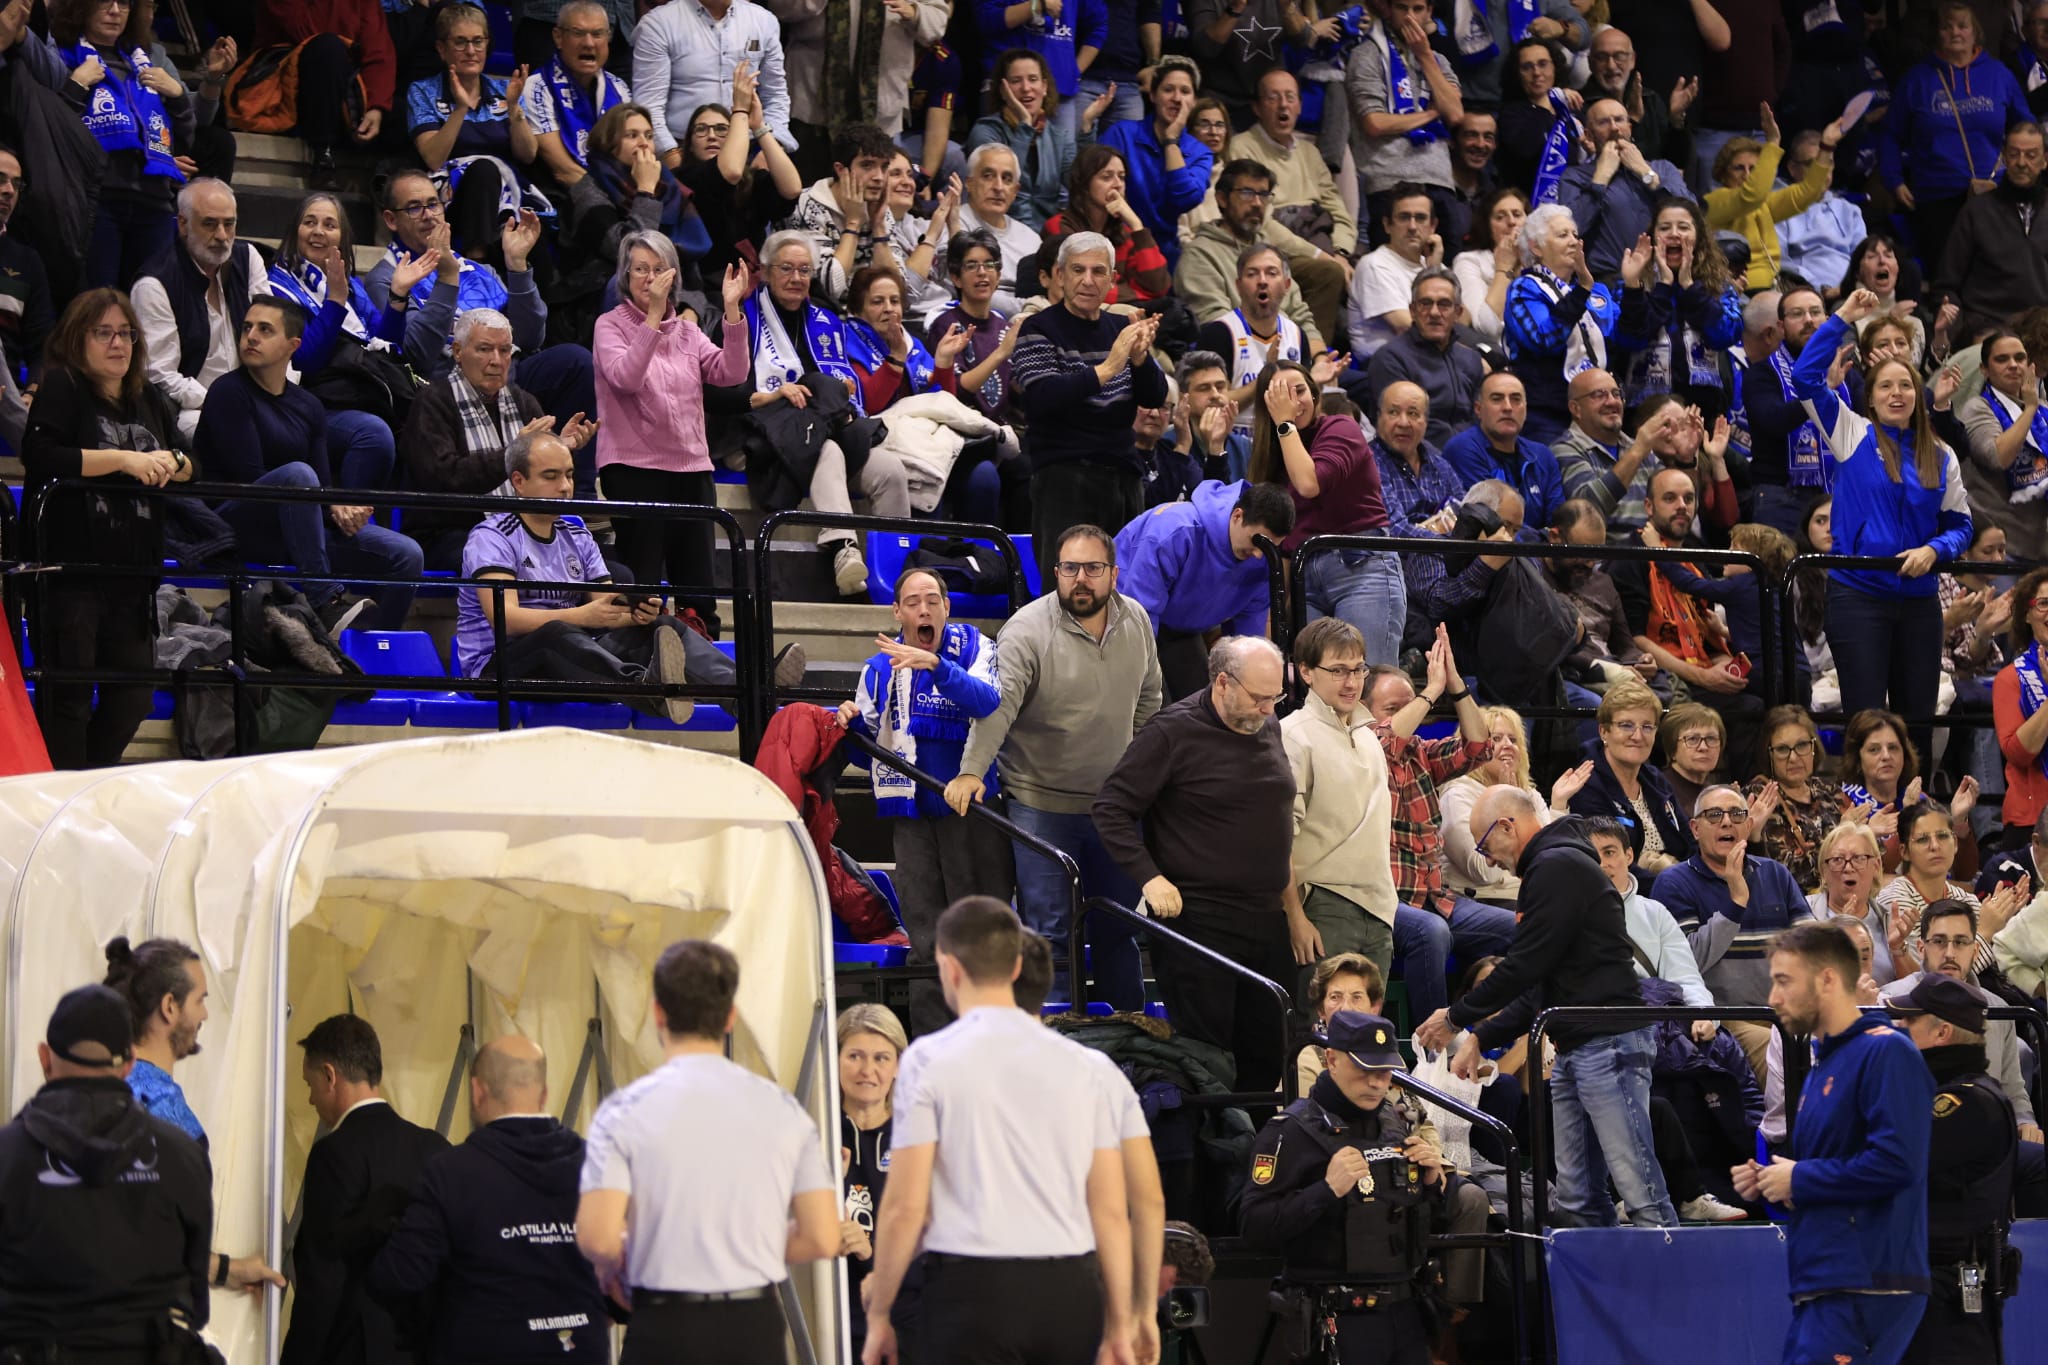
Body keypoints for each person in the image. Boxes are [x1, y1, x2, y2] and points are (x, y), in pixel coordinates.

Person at [860, 896, 1143, 1365]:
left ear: (948, 968)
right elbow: (1112, 1211)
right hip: (1070, 1291)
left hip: (972, 1291)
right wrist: (1119, 1321)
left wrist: (880, 1314)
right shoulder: (1088, 1066)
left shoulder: (928, 1059)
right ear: (1017, 967)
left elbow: (905, 1207)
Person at [1417, 784, 1680, 1228]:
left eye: (1485, 845)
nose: (1489, 859)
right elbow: (1542, 982)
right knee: (1577, 1199)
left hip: (1608, 1041)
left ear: (1508, 826)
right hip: (1576, 1043)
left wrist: (1456, 1018)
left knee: (1640, 1191)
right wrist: (1482, 1036)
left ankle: (1671, 1295)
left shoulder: (1555, 866)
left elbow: (1526, 965)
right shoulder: (1553, 866)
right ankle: (1596, 1295)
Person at [578, 940, 838, 1359]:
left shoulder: (623, 1113)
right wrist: (743, 1241)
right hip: (753, 1326)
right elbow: (823, 1237)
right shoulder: (783, 1110)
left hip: (664, 1325)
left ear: (657, 1012)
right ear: (730, 1017)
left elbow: (598, 1237)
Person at [951, 523, 1161, 1011]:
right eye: (1070, 569)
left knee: (1118, 928)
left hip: (1114, 810)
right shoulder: (1026, 629)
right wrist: (970, 771)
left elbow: (1150, 700)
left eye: (1092, 568)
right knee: (1047, 933)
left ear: (1113, 573)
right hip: (1040, 804)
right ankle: (1054, 1037)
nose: (1080, 579)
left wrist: (1145, 779)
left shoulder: (1138, 622)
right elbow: (996, 707)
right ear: (1056, 572)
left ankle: (1128, 1039)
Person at [1094, 636, 1295, 1088]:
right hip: (1199, 920)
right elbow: (1111, 808)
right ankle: (1213, 1156)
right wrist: (1149, 877)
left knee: (1270, 1051)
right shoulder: (1172, 731)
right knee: (1211, 1059)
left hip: (1265, 916)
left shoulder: (1266, 722)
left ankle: (1259, 1155)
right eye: (1258, 698)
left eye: (1275, 697)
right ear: (1222, 683)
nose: (1267, 710)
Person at [1732, 922, 1933, 1365]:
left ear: (1826, 979)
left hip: (1866, 1281)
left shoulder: (1886, 1053)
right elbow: (1834, 1170)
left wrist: (1798, 1177)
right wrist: (1774, 1181)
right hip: (1827, 1281)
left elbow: (1897, 1163)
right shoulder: (1823, 1065)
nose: (1773, 998)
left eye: (1784, 981)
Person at [23, 288, 193, 769]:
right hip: (70, 573)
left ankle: (86, 783)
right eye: (104, 333)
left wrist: (171, 462)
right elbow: (41, 457)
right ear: (78, 339)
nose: (118, 344)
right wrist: (125, 460)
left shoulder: (149, 399)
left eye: (127, 334)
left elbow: (189, 462)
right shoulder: (64, 387)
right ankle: (60, 798)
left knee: (135, 696)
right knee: (69, 700)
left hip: (133, 576)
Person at [365, 1036, 610, 1365]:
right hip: (581, 1351)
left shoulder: (451, 1173)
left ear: (477, 1091)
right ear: (545, 1093)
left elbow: (399, 1277)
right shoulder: (596, 1164)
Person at [0, 985, 214, 1360]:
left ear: (44, 1058)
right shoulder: (182, 1155)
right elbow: (195, 1302)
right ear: (129, 1062)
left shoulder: (8, 1156)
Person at [840, 570, 1011, 1035]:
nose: (923, 610)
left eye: (932, 600)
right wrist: (850, 726)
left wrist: (937, 667)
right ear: (897, 612)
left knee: (980, 936)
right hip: (911, 818)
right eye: (913, 602)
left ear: (947, 607)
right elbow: (862, 754)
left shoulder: (977, 647)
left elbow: (988, 702)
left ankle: (989, 1038)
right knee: (926, 939)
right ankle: (933, 1044)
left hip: (971, 812)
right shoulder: (877, 669)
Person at [1794, 288, 1973, 727]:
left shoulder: (1941, 454)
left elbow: (1961, 525)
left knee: (1918, 720)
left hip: (1919, 601)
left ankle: (1917, 798)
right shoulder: (1850, 432)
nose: (1897, 394)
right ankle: (1864, 799)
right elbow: (1804, 378)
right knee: (1867, 721)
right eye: (1886, 387)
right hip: (1858, 596)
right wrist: (1842, 319)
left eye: (1906, 385)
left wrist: (1934, 551)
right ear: (1870, 398)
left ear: (1919, 395)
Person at [1240, 1010, 1452, 1365]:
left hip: (1405, 1313)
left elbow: (1417, 1224)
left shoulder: (1396, 1124)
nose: (1376, 1083)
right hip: (1336, 1319)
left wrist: (1432, 1187)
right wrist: (1324, 1190)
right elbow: (1253, 1227)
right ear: (1332, 1060)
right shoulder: (1289, 1131)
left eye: (1384, 1072)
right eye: (1365, 1069)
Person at [198, 296, 422, 631]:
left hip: (298, 528)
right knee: (297, 476)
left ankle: (371, 655)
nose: (251, 337)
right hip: (235, 524)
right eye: (246, 328)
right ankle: (325, 601)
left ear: (293, 346)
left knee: (406, 554)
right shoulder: (227, 392)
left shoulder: (308, 405)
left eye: (264, 329)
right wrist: (324, 501)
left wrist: (338, 508)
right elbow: (250, 480)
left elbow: (320, 482)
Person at [100, 936, 286, 1293]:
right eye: (200, 999)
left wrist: (227, 1271)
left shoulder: (94, 1089)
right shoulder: (162, 1111)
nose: (204, 1014)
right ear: (170, 1007)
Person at [1363, 637, 1521, 1023]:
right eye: (1394, 708)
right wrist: (1430, 691)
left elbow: (1478, 746)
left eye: (1414, 704)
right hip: (1385, 901)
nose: (1415, 714)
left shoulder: (1421, 754)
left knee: (1527, 928)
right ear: (1364, 712)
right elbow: (1384, 742)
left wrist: (1455, 687)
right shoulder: (1361, 749)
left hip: (1438, 896)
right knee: (1431, 933)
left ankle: (1511, 1035)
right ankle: (1432, 1051)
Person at [281, 1015, 451, 1365]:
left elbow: (323, 1276)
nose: (311, 1100)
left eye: (309, 1084)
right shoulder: (435, 1148)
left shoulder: (334, 1154)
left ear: (329, 1076)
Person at [595, 239, 749, 624]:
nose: (649, 278)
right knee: (642, 588)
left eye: (658, 268)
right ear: (625, 276)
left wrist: (731, 310)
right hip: (634, 469)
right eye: (640, 269)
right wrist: (651, 321)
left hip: (692, 468)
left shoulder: (687, 332)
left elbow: (733, 373)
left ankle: (701, 661)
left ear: (673, 275)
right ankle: (642, 668)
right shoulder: (609, 325)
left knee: (698, 591)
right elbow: (625, 378)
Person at [1013, 233, 1166, 585]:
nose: (1088, 280)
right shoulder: (1037, 328)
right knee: (1069, 588)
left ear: (1112, 279)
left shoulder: (1120, 327)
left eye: (1099, 271)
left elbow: (1154, 398)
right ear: (1060, 275)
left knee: (1126, 588)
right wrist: (1108, 368)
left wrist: (1140, 359)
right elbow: (1042, 397)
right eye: (1077, 270)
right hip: (1065, 476)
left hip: (1124, 476)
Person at [1886, 975, 2020, 1365]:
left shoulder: (1967, 1103)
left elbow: (1890, 1158)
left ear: (1942, 1032)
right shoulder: (1939, 1091)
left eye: (1910, 1021)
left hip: (1947, 1297)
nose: (1899, 1029)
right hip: (1923, 1287)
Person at [1652, 784, 1815, 1078]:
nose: (1727, 822)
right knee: (1780, 1055)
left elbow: (1812, 947)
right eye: (1714, 815)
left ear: (1749, 825)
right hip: (1726, 1017)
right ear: (1695, 828)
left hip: (1788, 1012)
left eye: (1737, 814)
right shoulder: (1674, 883)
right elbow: (1687, 963)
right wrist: (1735, 904)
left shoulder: (1775, 873)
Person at [1251, 359, 1406, 664]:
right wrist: (1272, 617)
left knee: (1366, 682)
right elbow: (1280, 543)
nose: (1294, 402)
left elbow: (1309, 483)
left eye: (1300, 391)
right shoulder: (1272, 458)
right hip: (1304, 578)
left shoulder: (1340, 427)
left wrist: (1285, 424)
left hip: (1361, 568)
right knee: (1319, 695)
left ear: (1315, 395)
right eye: (1282, 395)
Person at [44, 0, 195, 290]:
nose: (115, 11)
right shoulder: (63, 57)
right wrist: (75, 87)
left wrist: (177, 96)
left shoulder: (144, 63)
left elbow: (183, 140)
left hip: (154, 203)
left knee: (151, 306)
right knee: (100, 304)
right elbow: (54, 133)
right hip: (98, 202)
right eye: (105, 1)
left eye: (124, 3)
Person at [1280, 619, 1399, 988]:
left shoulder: (1367, 737)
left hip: (1379, 906)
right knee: (1315, 1034)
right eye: (1337, 671)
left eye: (1358, 669)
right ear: (1306, 672)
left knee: (1367, 1036)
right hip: (1323, 906)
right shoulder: (1294, 736)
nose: (1351, 682)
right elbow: (1277, 839)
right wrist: (1295, 916)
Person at [1878, 1, 2031, 270]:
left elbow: (2026, 127)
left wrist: (2023, 169)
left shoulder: (1999, 75)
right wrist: (1894, 180)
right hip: (1937, 197)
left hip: (1996, 194)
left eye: (1963, 26)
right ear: (1937, 33)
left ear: (1975, 32)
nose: (1955, 33)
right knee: (1948, 279)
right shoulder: (1916, 80)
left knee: (1999, 273)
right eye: (1947, 27)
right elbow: (1890, 134)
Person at [1879, 895, 2040, 1145]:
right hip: (1913, 1133)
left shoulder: (1999, 1009)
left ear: (1975, 950)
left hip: (1985, 1134)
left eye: (1960, 942)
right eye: (1939, 942)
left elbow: (2013, 1089)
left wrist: (2025, 1121)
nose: (1950, 953)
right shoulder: (1890, 1000)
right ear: (1921, 948)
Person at [1113, 479, 1293, 698]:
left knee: (1203, 706)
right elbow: (1140, 612)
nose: (1258, 554)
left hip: (1181, 626)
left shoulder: (1263, 561)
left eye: (1269, 546)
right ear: (1237, 516)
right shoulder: (1176, 530)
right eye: (1255, 542)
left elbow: (1247, 638)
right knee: (1152, 703)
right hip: (1125, 617)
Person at [127, 179, 274, 441]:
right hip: (191, 408)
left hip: (256, 396)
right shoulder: (154, 284)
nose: (221, 235)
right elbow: (159, 374)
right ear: (183, 224)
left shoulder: (248, 258)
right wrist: (221, 402)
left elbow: (274, 334)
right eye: (209, 224)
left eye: (229, 224)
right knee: (238, 435)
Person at [405, 4, 538, 263]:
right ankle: (477, 263)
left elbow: (528, 155)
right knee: (484, 169)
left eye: (478, 41)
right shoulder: (422, 91)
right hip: (448, 200)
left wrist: (514, 110)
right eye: (460, 42)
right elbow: (432, 158)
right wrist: (461, 108)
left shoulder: (504, 90)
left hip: (505, 197)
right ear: (441, 49)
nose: (470, 51)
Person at [1441, 704, 1592, 908]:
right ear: (1472, 748)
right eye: (1495, 739)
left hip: (1531, 894)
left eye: (1513, 740)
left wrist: (1557, 803)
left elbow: (1551, 859)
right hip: (1482, 899)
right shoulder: (1457, 794)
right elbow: (1484, 873)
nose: (1508, 745)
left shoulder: (1528, 793)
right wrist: (1504, 803)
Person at [1179, 168, 1331, 359]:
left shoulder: (1269, 250)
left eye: (1264, 195)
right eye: (1247, 194)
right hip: (1237, 357)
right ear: (1222, 199)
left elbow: (1299, 313)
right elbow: (1215, 322)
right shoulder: (1199, 253)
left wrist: (1319, 357)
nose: (1258, 203)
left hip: (1288, 353)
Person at [1347, 0, 1466, 245]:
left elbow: (1455, 113)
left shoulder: (1438, 61)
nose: (1410, 17)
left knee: (1444, 275)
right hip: (1388, 183)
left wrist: (1424, 55)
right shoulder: (1366, 55)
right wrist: (1432, 114)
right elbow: (1375, 122)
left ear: (1429, 12)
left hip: (1439, 183)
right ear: (1389, 9)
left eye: (1418, 9)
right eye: (1402, 8)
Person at [1504, 203, 1619, 448]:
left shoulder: (1596, 291)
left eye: (1575, 235)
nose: (1574, 242)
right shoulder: (1525, 288)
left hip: (1597, 411)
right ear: (1536, 247)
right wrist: (1582, 292)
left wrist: (1633, 287)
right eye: (1562, 235)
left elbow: (1625, 341)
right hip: (1549, 416)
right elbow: (1545, 339)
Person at [1229, 68, 1358, 272]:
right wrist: (1320, 257)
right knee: (1328, 275)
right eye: (1273, 98)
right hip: (1274, 249)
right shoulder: (1241, 147)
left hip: (1321, 243)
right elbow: (1259, 219)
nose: (1283, 105)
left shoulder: (1310, 152)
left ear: (1299, 106)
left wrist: (1340, 253)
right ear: (1257, 107)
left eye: (1290, 97)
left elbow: (1337, 209)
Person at [633, 0, 790, 166]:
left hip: (751, 148)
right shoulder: (658, 24)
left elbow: (776, 95)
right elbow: (648, 104)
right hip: (683, 150)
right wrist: (669, 153)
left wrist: (772, 145)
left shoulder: (763, 20)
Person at [1555, 99, 1694, 283]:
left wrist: (1645, 173)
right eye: (1603, 122)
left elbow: (1692, 213)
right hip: (1607, 283)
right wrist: (1600, 180)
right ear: (1588, 134)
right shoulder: (1575, 177)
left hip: (1663, 277)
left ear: (1630, 127)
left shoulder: (1663, 168)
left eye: (1619, 120)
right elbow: (1571, 229)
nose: (1614, 128)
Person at [676, 82, 804, 281]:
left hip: (754, 284)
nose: (711, 136)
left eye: (721, 129)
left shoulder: (751, 181)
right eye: (701, 130)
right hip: (706, 285)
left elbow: (792, 189)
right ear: (690, 143)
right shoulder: (682, 178)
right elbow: (730, 172)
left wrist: (759, 127)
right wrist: (740, 110)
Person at [1703, 106, 1838, 293]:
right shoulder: (1714, 201)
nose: (1748, 175)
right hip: (1741, 292)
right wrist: (1773, 143)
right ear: (1723, 173)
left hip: (1777, 286)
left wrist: (1826, 146)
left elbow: (1808, 192)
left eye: (1754, 169)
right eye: (1738, 168)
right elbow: (1752, 195)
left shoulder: (1762, 205)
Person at [1568, 678, 1695, 872]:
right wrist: (1669, 881)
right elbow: (1607, 864)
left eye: (1647, 727)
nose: (1638, 736)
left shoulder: (1656, 781)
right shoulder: (1586, 784)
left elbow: (1689, 844)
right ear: (1604, 731)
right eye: (1626, 725)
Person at [834, 1004, 904, 1356]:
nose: (867, 1070)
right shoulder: (815, 1132)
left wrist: (871, 1252)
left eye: (881, 1058)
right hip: (827, 1318)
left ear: (898, 1067)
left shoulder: (914, 1139)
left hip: (898, 1324)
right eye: (855, 1056)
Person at [1099, 57, 1212, 270]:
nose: (1177, 98)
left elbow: (1184, 199)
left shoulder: (1200, 152)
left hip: (1164, 255)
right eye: (1168, 90)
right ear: (1152, 95)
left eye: (1185, 92)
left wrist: (1171, 142)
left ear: (1194, 101)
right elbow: (1096, 190)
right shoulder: (1122, 134)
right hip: (1116, 246)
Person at [1745, 288, 1838, 536]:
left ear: (1827, 320)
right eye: (1797, 314)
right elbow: (1774, 420)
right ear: (1781, 326)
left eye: (1815, 312)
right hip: (1781, 496)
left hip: (1839, 493)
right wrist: (1821, 391)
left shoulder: (1844, 368)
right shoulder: (1762, 373)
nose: (1808, 319)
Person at [1363, 267, 1485, 453]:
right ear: (1412, 310)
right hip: (1420, 463)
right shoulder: (1390, 359)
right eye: (1425, 303)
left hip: (1471, 458)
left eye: (1444, 304)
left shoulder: (1471, 360)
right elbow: (1397, 430)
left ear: (1458, 313)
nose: (1434, 312)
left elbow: (1481, 421)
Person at [968, 50, 1086, 232]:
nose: (1026, 88)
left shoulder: (1059, 136)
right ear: (1002, 90)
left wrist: (1086, 131)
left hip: (1047, 237)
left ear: (1044, 87)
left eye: (1033, 79)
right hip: (994, 230)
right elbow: (1007, 177)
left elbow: (1080, 185)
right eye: (1016, 81)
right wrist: (1025, 126)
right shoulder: (985, 131)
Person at [518, 0, 631, 187]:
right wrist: (618, 196)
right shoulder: (537, 86)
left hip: (614, 188)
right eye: (578, 33)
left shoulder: (619, 89)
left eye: (597, 34)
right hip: (570, 196)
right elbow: (564, 171)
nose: (588, 43)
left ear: (608, 38)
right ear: (558, 37)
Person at [1043, 145, 1172, 303]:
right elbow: (1081, 287)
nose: (1117, 184)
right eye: (1106, 177)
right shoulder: (1059, 226)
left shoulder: (1124, 232)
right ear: (1084, 183)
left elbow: (1158, 286)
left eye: (1122, 177)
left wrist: (1136, 225)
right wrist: (1140, 298)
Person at [1441, 369, 1566, 528]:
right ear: (1478, 409)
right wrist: (1544, 542)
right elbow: (1493, 522)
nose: (1507, 407)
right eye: (1497, 399)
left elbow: (1558, 523)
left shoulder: (1543, 455)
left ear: (1526, 409)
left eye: (1516, 399)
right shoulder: (1463, 449)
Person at [1552, 367, 1665, 542]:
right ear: (1576, 409)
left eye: (1616, 394)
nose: (1612, 402)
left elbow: (1671, 505)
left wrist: (1687, 460)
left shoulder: (1640, 449)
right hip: (1602, 559)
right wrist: (1637, 452)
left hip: (1650, 553)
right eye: (1599, 395)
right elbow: (1587, 509)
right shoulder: (1564, 449)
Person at [1748, 705, 1847, 891]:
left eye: (1802, 745)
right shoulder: (1760, 795)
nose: (1793, 758)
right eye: (1783, 749)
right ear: (1769, 754)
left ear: (1813, 747)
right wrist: (1842, 834)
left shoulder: (1828, 790)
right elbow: (1789, 874)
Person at [1346, 184, 1444, 360]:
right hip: (1388, 366)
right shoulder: (1374, 265)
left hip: (1429, 359)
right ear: (1387, 225)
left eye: (1420, 218)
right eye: (1404, 217)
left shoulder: (1434, 265)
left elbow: (1463, 319)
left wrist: (1434, 270)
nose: (1413, 226)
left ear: (1433, 226)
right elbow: (1406, 328)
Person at [1995, 566, 2048, 848]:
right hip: (2032, 822)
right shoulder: (2010, 678)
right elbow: (2019, 753)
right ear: (2026, 615)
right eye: (2043, 603)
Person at [1452, 186, 1526, 347]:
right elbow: (1487, 328)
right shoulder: (1469, 261)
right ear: (1488, 226)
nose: (1512, 222)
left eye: (1517, 214)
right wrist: (1503, 268)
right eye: (1500, 217)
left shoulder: (1540, 262)